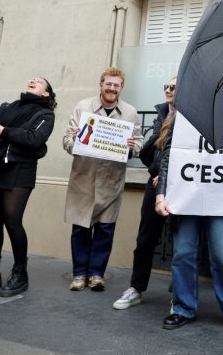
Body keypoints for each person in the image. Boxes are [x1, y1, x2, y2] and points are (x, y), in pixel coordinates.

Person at [153, 110, 223, 333]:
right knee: (183, 253)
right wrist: (161, 194)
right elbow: (170, 155)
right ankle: (182, 308)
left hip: (220, 199)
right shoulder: (183, 117)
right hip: (187, 198)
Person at [0, 77, 56, 297]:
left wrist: (4, 131)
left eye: (39, 81)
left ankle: (20, 273)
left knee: (13, 220)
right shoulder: (7, 107)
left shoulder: (45, 114)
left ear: (46, 94)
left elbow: (35, 139)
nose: (32, 81)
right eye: (31, 79)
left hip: (20, 169)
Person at [62, 67, 143, 291]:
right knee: (80, 228)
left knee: (105, 230)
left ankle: (96, 274)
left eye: (116, 85)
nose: (112, 88)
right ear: (101, 84)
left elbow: (138, 141)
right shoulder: (83, 107)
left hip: (111, 181)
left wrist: (132, 147)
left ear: (121, 88)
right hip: (84, 180)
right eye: (108, 84)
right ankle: (79, 274)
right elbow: (66, 141)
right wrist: (76, 140)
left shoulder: (130, 112)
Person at [112, 78, 176, 310]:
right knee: (145, 238)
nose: (168, 90)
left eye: (173, 87)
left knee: (183, 242)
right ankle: (136, 288)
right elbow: (152, 150)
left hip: (180, 185)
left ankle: (180, 295)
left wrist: (170, 176)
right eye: (166, 86)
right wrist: (157, 172)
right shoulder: (163, 114)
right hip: (154, 182)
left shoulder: (190, 116)